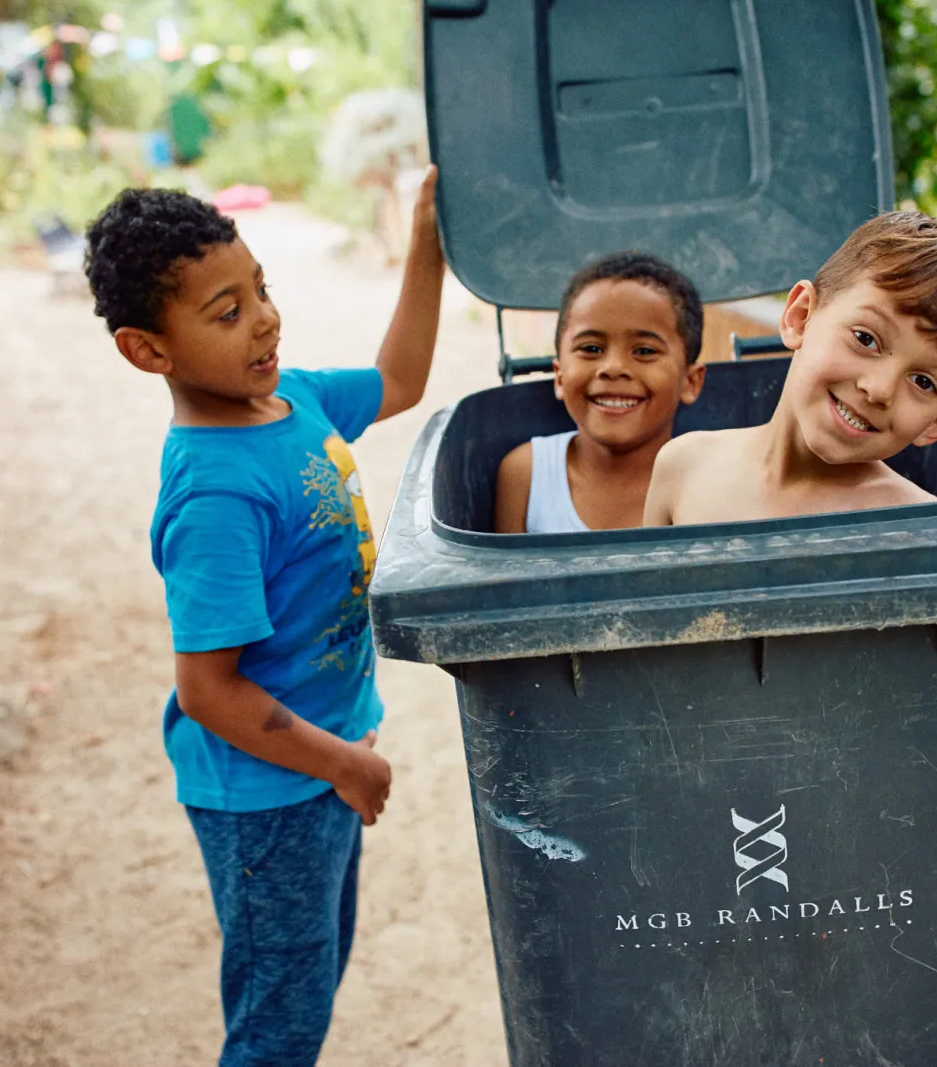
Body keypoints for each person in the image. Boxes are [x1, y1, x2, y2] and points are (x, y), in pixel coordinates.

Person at [82, 168, 444, 1066]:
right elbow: (207, 690)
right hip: (268, 796)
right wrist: (344, 763)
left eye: (261, 289)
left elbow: (399, 379)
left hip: (318, 766)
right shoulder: (216, 494)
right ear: (147, 350)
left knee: (308, 984)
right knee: (279, 1024)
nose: (267, 320)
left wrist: (427, 244)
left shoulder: (294, 400)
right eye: (227, 312)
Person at [644, 211, 937, 527]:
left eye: (922, 381)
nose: (879, 389)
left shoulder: (921, 529)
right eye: (866, 339)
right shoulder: (684, 466)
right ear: (801, 317)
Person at [493, 251, 707, 533]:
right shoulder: (528, 473)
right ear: (559, 375)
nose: (614, 368)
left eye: (644, 351)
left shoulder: (706, 483)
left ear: (690, 382)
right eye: (591, 348)